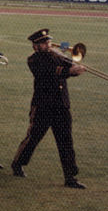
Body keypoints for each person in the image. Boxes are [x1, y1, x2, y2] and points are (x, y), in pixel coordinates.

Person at [11, 26, 86, 186]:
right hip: (43, 106)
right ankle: (18, 163)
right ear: (35, 46)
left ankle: (70, 177)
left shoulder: (56, 55)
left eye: (48, 41)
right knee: (33, 139)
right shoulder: (33, 59)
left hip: (61, 105)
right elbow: (50, 72)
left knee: (66, 141)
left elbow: (68, 65)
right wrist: (71, 71)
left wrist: (66, 54)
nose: (48, 44)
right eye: (44, 43)